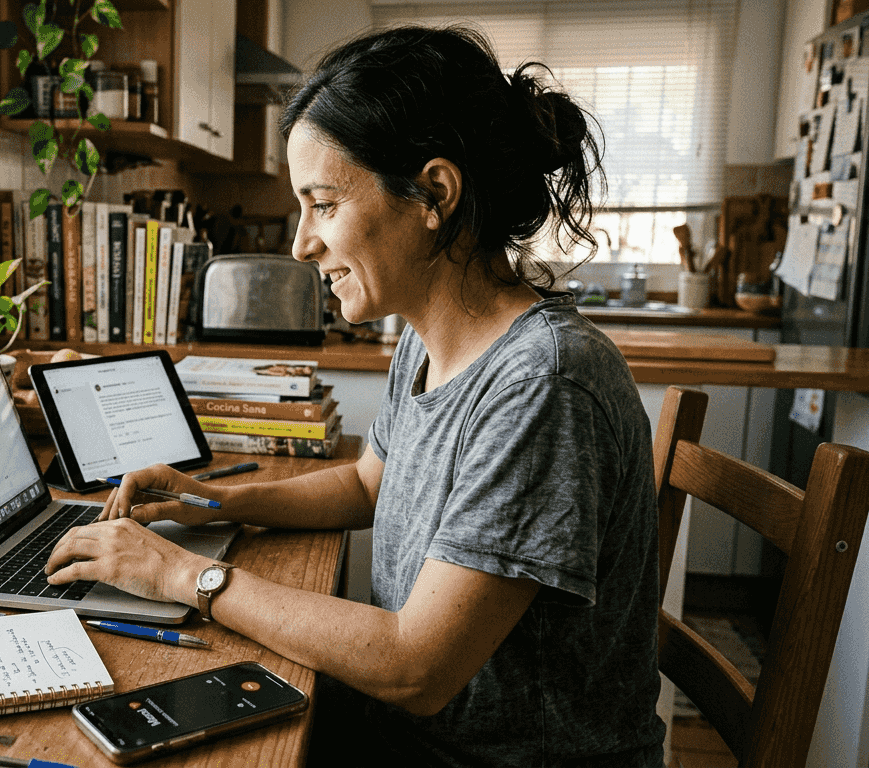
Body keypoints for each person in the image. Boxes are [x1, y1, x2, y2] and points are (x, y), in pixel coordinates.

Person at [45, 24, 666, 767]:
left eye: (324, 203)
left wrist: (182, 573)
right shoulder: (429, 336)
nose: (303, 243)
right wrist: (208, 501)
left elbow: (416, 667)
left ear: (434, 192)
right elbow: (370, 482)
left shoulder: (544, 383)